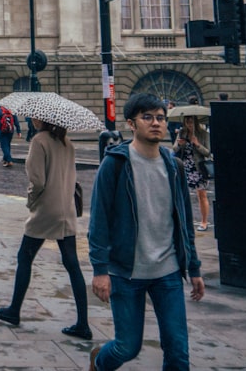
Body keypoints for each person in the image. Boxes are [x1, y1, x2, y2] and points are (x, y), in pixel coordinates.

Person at [88, 92, 204, 371]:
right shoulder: (114, 165)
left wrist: (195, 267)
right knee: (127, 347)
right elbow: (99, 221)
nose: (156, 123)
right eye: (148, 117)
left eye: (161, 118)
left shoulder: (173, 166)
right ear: (132, 123)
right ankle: (99, 361)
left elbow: (185, 222)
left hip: (168, 271)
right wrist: (100, 270)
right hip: (126, 272)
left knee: (178, 351)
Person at [0, 117, 91, 340]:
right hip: (67, 209)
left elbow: (38, 182)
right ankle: (83, 323)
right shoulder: (67, 142)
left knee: (25, 257)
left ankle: (14, 310)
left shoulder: (39, 141)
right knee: (72, 265)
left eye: (34, 117)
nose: (31, 119)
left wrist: (31, 201)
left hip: (46, 210)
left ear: (41, 119)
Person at [173, 114, 212, 231]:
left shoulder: (204, 134)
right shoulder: (181, 132)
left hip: (198, 167)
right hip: (185, 166)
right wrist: (179, 145)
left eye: (191, 121)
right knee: (183, 194)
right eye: (187, 122)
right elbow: (174, 149)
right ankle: (184, 220)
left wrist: (197, 144)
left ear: (195, 122)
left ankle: (204, 222)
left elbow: (208, 152)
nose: (189, 124)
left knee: (202, 195)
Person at [0, 103, 20, 167]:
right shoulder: (11, 110)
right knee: (7, 145)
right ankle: (5, 159)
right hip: (10, 130)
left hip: (1, 130)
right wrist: (18, 131)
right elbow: (16, 121)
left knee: (4, 146)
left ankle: (9, 160)